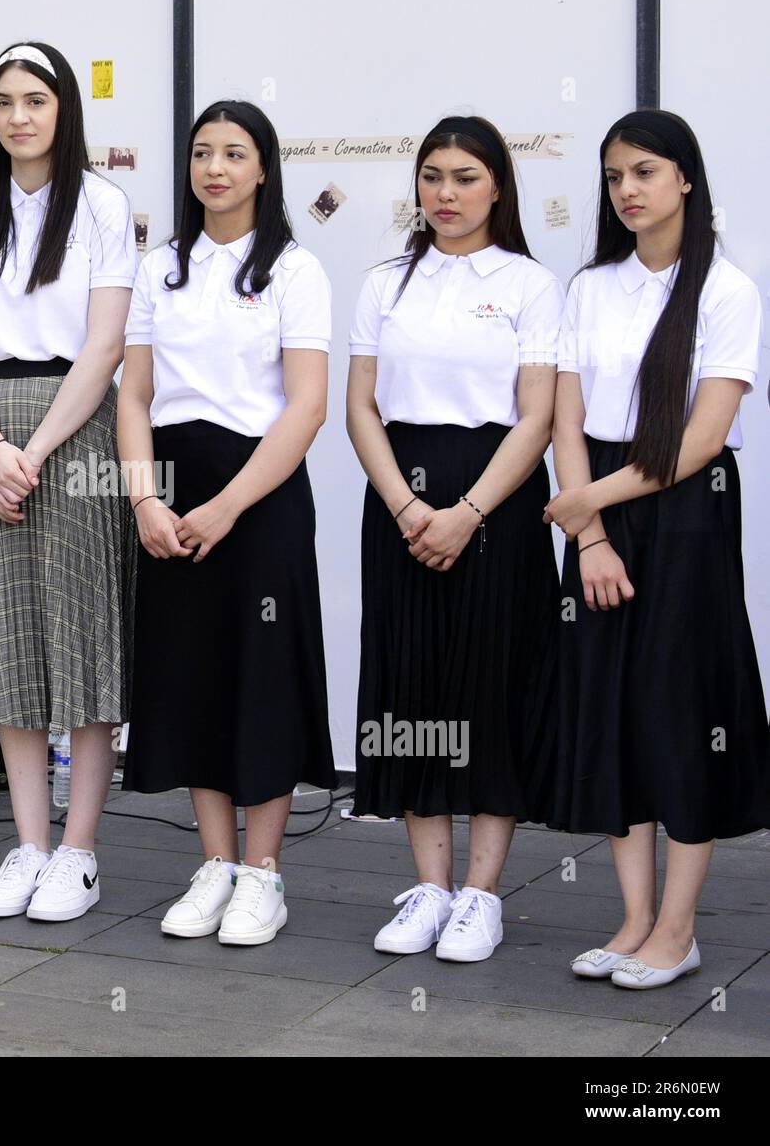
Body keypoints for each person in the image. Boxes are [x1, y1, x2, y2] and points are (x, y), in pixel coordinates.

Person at [541, 109, 770, 988]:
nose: (628, 191)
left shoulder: (727, 291)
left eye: (644, 172)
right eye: (613, 177)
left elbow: (703, 437)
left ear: (685, 179)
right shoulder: (590, 287)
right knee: (609, 710)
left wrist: (586, 501)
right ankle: (634, 918)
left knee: (679, 712)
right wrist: (590, 535)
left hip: (685, 512)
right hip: (598, 510)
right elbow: (566, 417)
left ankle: (680, 927)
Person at [118, 100, 338, 946]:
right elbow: (133, 394)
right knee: (190, 672)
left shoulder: (294, 269)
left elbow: (308, 406)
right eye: (202, 153)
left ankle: (264, 874)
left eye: (234, 154)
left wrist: (227, 505)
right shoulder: (160, 267)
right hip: (172, 487)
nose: (215, 168)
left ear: (263, 169)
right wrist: (144, 497)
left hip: (261, 490)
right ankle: (215, 862)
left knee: (264, 674)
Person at [346, 115, 563, 962]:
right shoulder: (383, 283)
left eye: (465, 177)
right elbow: (361, 406)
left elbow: (538, 415)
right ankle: (430, 889)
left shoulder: (529, 285)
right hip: (400, 498)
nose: (445, 193)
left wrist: (468, 511)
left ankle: (482, 894)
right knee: (413, 688)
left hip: (496, 502)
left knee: (492, 687)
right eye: (432, 176)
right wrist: (406, 506)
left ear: (498, 187)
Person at [0, 41, 137, 921]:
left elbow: (104, 347)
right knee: (8, 637)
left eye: (36, 101)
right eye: (4, 103)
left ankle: (79, 851)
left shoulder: (102, 205)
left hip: (77, 425)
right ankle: (28, 845)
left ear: (65, 111)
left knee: (84, 637)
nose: (19, 117)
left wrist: (39, 449)